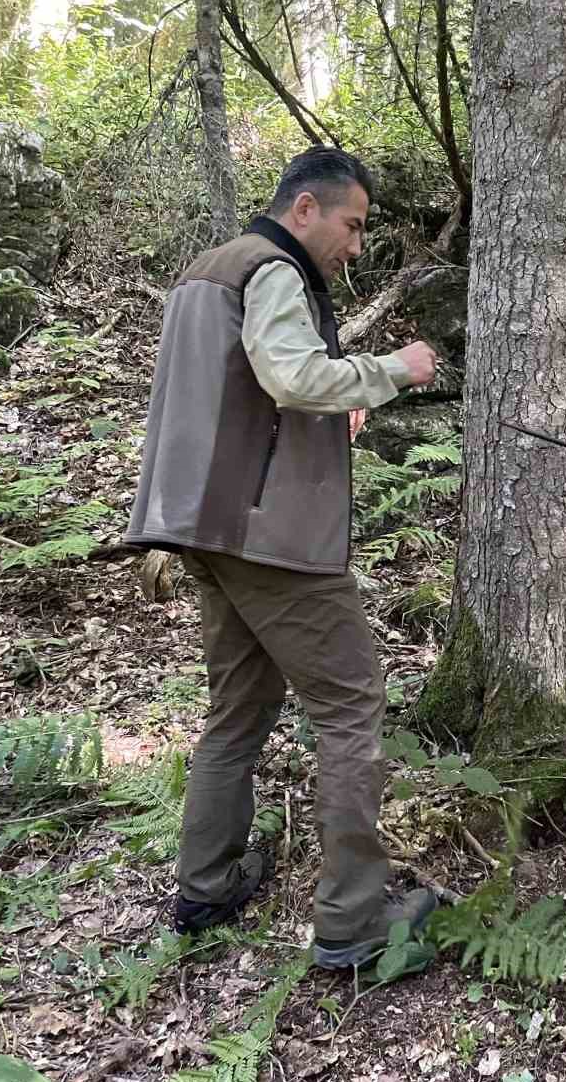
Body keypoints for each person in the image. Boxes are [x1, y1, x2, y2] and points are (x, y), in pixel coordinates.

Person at [126, 146, 440, 968]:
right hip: (276, 540)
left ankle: (207, 884)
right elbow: (292, 373)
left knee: (238, 709)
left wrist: (319, 417)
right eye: (353, 224)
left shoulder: (208, 270)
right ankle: (356, 925)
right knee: (350, 709)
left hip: (208, 527)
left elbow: (237, 393)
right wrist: (391, 372)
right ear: (305, 208)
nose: (357, 245)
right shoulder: (273, 268)